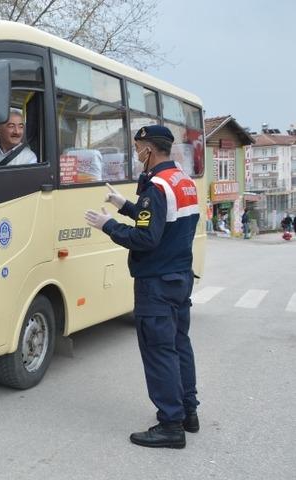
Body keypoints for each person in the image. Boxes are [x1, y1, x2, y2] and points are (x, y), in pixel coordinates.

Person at [84, 125, 200, 449]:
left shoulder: (156, 187)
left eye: (138, 148)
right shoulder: (182, 181)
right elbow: (161, 220)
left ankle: (170, 425)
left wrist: (109, 225)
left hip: (156, 284)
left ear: (149, 149)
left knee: (159, 352)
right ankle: (188, 413)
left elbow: (146, 237)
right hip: (179, 278)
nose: (136, 154)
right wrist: (124, 205)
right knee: (179, 346)